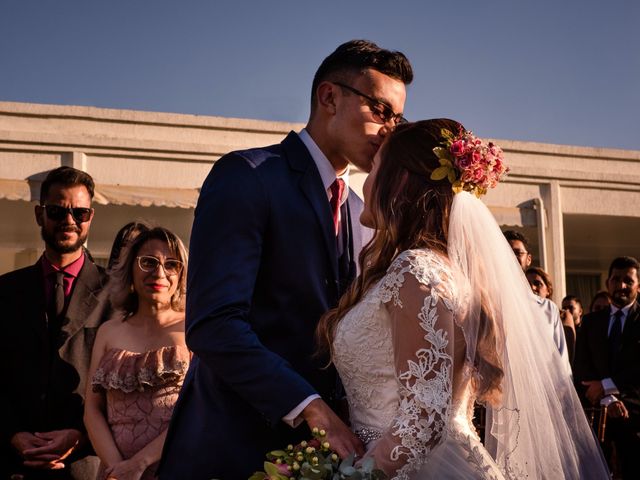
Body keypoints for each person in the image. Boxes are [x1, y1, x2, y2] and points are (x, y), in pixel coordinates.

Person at [158, 39, 413, 479]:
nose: (390, 129)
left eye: (399, 117)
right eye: (380, 110)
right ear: (329, 97)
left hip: (323, 457)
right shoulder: (248, 176)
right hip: (231, 446)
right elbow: (214, 324)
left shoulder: (359, 209)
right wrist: (308, 406)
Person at [318, 119, 608, 478]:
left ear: (401, 181)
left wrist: (356, 474)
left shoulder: (416, 271)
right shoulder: (443, 271)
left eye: (375, 167)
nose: (366, 178)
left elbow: (423, 414)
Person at [0, 166, 111, 479]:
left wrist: (80, 434)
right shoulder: (5, 292)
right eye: (57, 211)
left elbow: (121, 388)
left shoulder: (117, 297)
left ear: (91, 216)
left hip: (84, 466)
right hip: (12, 464)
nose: (69, 221)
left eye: (80, 212)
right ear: (39, 214)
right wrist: (13, 434)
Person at [85, 227, 190, 479]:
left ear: (182, 274)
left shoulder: (193, 330)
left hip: (174, 467)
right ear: (130, 269)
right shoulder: (108, 332)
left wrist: (140, 463)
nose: (160, 272)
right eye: (148, 262)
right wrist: (118, 468)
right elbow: (92, 410)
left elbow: (197, 411)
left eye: (171, 264)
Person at [574, 256, 640, 478]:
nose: (621, 285)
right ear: (607, 283)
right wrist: (608, 398)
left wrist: (607, 386)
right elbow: (582, 368)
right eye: (616, 279)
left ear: (638, 286)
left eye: (628, 281)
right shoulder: (591, 322)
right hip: (596, 421)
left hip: (634, 420)